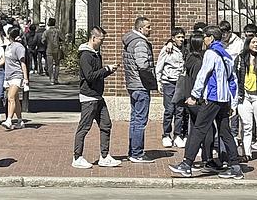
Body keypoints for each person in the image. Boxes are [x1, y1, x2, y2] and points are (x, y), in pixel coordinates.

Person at [168, 26, 243, 180]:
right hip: (225, 100)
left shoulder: (210, 53)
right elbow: (233, 80)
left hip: (212, 98)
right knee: (225, 132)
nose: (204, 39)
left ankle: (187, 164)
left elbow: (203, 75)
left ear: (211, 38)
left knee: (198, 129)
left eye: (205, 36)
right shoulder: (227, 55)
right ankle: (235, 166)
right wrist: (233, 103)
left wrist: (194, 96)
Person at [72, 26, 121, 169]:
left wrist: (108, 70)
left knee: (106, 125)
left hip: (98, 96)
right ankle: (77, 157)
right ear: (94, 38)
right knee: (84, 127)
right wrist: (106, 69)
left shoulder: (96, 54)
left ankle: (104, 157)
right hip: (89, 97)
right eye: (101, 40)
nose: (102, 43)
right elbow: (89, 76)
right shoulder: (86, 56)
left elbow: (97, 74)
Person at [178, 32, 218, 171]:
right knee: (208, 129)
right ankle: (207, 159)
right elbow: (198, 81)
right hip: (197, 101)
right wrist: (198, 98)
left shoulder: (190, 58)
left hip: (190, 99)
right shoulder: (198, 62)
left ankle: (189, 159)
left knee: (195, 130)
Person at [122, 15, 157, 163]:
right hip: (141, 85)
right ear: (140, 28)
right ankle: (137, 153)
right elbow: (143, 65)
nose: (150, 29)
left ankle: (133, 151)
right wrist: (151, 78)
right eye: (148, 27)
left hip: (133, 84)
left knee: (135, 119)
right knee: (140, 120)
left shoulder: (130, 41)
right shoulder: (140, 43)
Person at [156, 27, 186, 149]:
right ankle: (166, 135)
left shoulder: (184, 49)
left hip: (180, 82)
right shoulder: (167, 49)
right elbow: (159, 66)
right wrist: (159, 82)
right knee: (169, 110)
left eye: (182, 37)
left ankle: (177, 135)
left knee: (179, 110)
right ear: (173, 38)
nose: (181, 39)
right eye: (178, 37)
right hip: (168, 82)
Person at [2, 25, 29, 130]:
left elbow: (23, 63)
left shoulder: (19, 47)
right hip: (8, 76)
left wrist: (25, 78)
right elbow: (4, 59)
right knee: (15, 99)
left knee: (11, 97)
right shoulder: (8, 46)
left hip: (16, 75)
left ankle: (9, 120)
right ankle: (20, 120)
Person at [42, 18, 63, 85]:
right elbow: (62, 38)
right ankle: (56, 79)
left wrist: (46, 43)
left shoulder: (46, 32)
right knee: (57, 64)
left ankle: (51, 79)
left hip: (49, 49)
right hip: (57, 49)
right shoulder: (58, 31)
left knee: (50, 65)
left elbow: (43, 41)